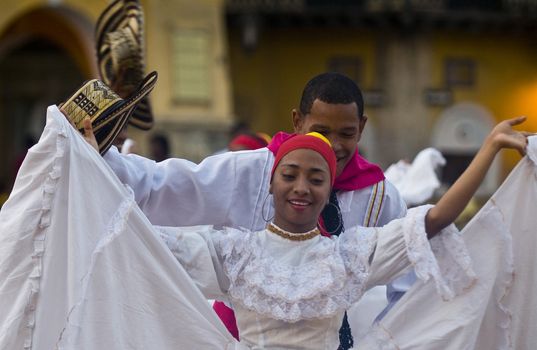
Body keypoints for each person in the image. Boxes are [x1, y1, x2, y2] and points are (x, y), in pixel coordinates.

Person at [0, 108, 532, 349]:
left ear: (329, 191)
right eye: (291, 176)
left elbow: (435, 221)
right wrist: (86, 167)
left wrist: (486, 151)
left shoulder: (348, 255)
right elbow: (134, 243)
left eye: (316, 179)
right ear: (272, 182)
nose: (302, 188)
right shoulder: (235, 254)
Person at [79, 72, 407, 347]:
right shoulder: (251, 170)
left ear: (361, 128)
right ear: (297, 121)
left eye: (347, 134)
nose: (332, 145)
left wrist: (382, 341)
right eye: (320, 131)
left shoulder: (380, 194)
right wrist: (97, 159)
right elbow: (168, 185)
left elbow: (409, 278)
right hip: (237, 336)